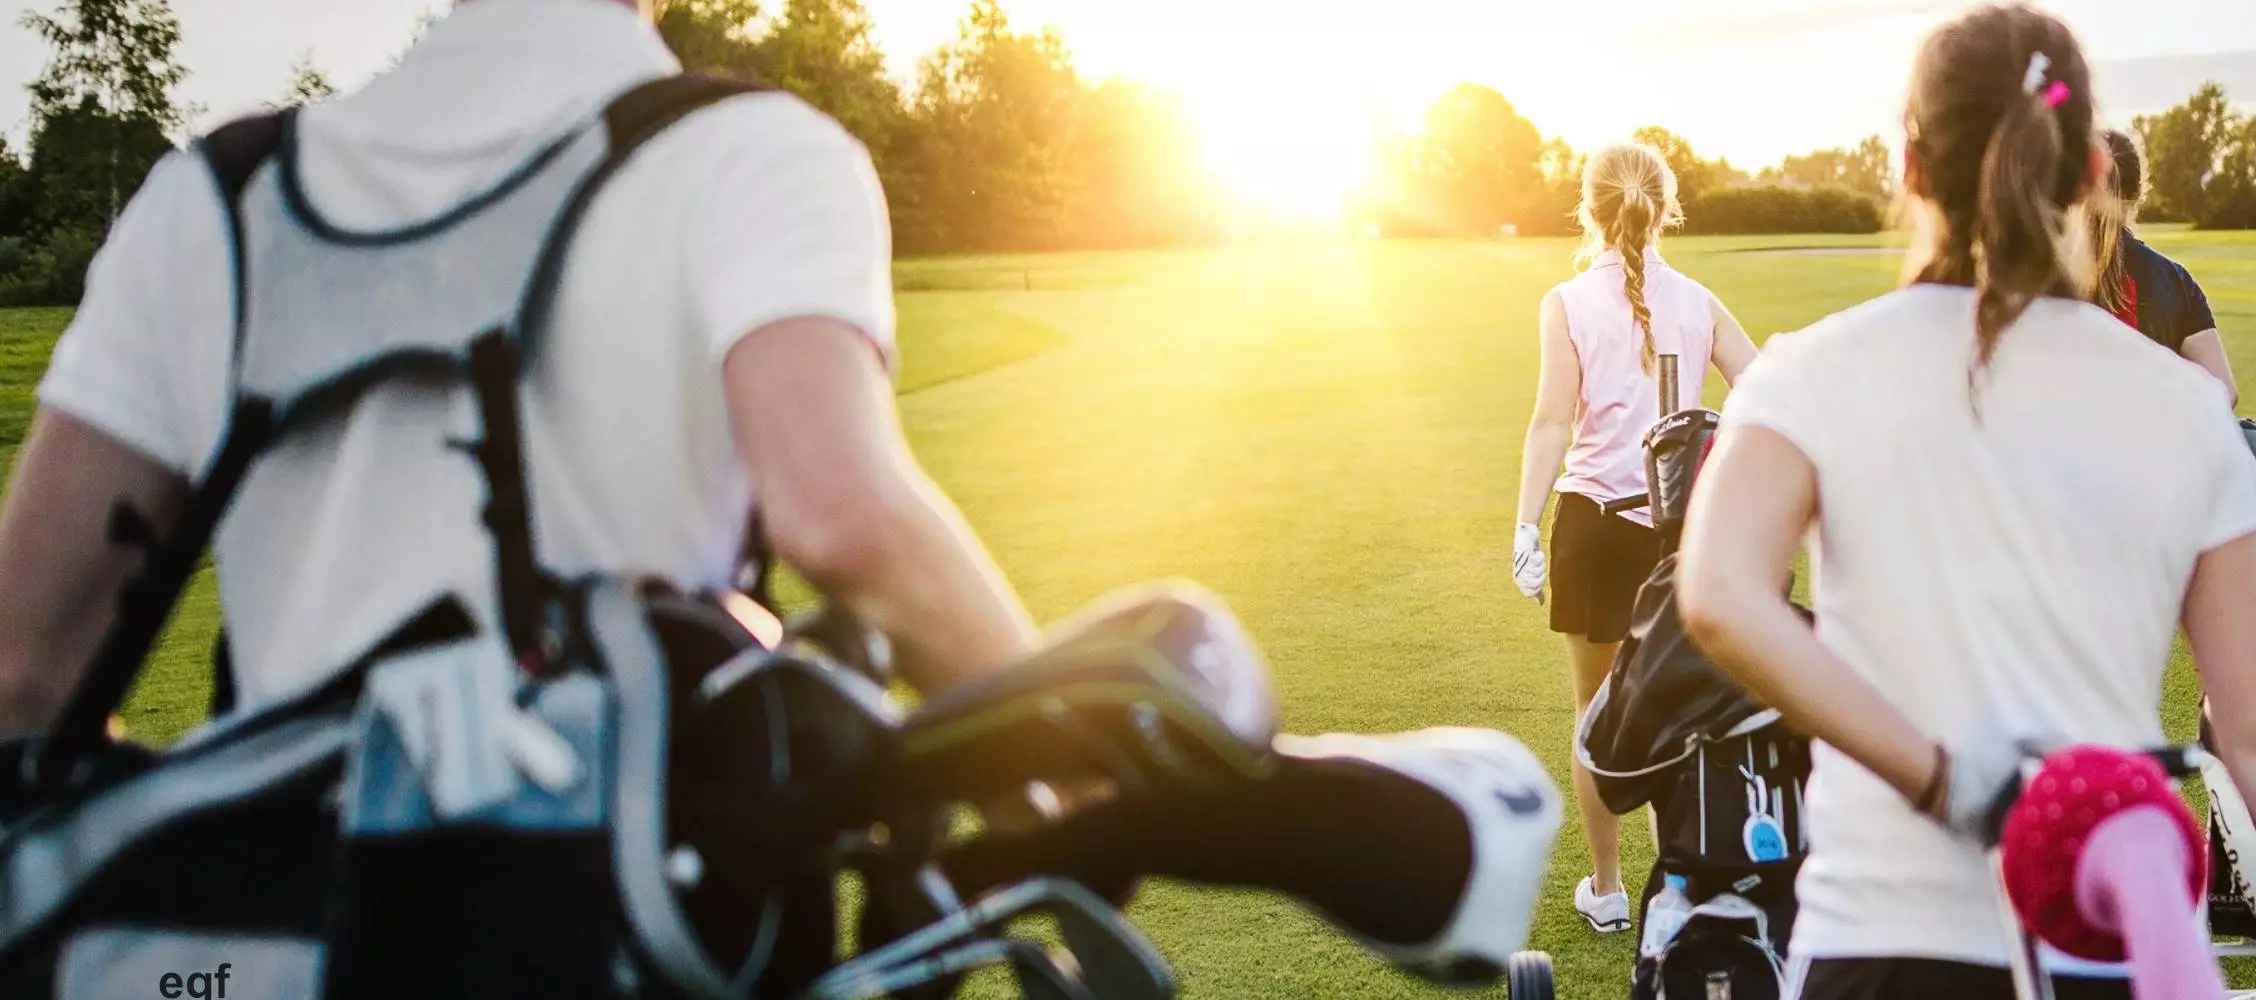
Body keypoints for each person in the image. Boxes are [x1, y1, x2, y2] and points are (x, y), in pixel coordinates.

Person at [0, 0, 1553, 986]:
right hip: (629, 932)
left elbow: (22, 673)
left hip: (305, 938)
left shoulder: (211, 199)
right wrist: (1066, 782)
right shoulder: (747, 150)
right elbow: (840, 514)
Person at [1673, 5, 2256, 1000]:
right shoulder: (2188, 410)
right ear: (2093, 176)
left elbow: (1721, 595)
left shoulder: (1808, 371)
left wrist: (1945, 781)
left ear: (1907, 166)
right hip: (2091, 954)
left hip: (1876, 953)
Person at [1508, 142, 1759, 932]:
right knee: (1678, 717)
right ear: (1667, 205)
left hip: (1592, 530)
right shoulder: (1700, 300)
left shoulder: (1567, 301)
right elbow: (1760, 392)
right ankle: (1676, 894)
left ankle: (1610, 892)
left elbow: (1552, 422)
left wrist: (1522, 526)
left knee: (1596, 712)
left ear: (1588, 206)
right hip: (1677, 538)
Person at [2089, 128, 2237, 399]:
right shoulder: (2175, 280)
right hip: (2154, 439)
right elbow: (2223, 391)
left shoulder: (2046, 278)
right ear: (2138, 193)